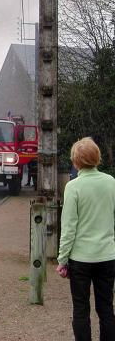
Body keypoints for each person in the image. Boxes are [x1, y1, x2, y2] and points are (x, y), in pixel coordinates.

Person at [57, 137, 115, 341]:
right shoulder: (111, 183)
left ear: (76, 161)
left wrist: (62, 259)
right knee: (106, 307)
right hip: (107, 256)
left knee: (81, 309)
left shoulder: (73, 187)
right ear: (97, 157)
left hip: (81, 258)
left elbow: (69, 228)